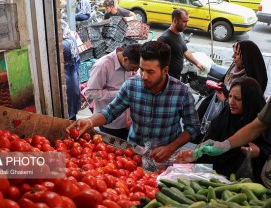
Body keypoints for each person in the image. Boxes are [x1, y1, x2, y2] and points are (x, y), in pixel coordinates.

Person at [67, 41, 200, 163]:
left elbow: (193, 127)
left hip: (166, 156)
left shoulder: (182, 93)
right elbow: (110, 112)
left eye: (150, 72)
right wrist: (90, 121)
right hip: (134, 153)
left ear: (165, 70)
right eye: (141, 69)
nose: (144, 76)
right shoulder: (131, 86)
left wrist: (170, 148)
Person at [176, 77, 271, 182]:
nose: (231, 102)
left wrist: (259, 152)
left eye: (238, 98)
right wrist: (196, 155)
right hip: (216, 179)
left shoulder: (263, 124)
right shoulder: (223, 118)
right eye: (230, 96)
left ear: (250, 100)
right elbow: (210, 147)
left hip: (247, 183)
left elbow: (265, 148)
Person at [197, 40, 268, 135]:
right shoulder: (234, 68)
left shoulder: (251, 82)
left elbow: (248, 108)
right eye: (233, 53)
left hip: (234, 126)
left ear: (246, 58)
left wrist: (225, 101)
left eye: (237, 54)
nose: (232, 57)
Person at [85, 44, 142, 140]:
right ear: (125, 60)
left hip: (128, 121)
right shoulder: (103, 66)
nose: (135, 71)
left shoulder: (130, 64)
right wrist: (120, 93)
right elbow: (90, 92)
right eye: (134, 67)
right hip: (110, 123)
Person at [157, 8, 204, 79]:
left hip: (177, 76)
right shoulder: (164, 38)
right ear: (175, 21)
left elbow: (185, 51)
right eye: (184, 21)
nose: (187, 25)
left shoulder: (181, 34)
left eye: (187, 21)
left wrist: (197, 63)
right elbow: (157, 61)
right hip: (168, 77)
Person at [61, 19, 81, 120]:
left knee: (68, 101)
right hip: (74, 75)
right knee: (73, 99)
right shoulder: (71, 38)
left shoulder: (63, 45)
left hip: (68, 76)